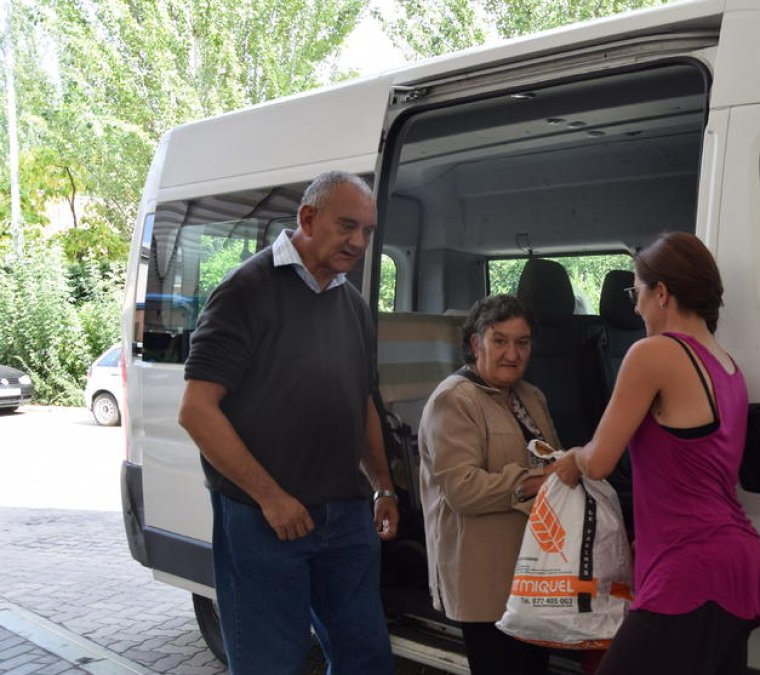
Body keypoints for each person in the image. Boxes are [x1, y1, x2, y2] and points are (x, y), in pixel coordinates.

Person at [178, 171, 397, 674]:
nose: (359, 242)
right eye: (348, 226)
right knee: (269, 664)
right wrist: (272, 499)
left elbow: (361, 399)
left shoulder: (354, 306)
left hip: (344, 514)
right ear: (307, 218)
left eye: (367, 230)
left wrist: (383, 485)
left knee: (367, 659)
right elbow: (196, 411)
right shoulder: (245, 290)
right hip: (265, 521)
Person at [553, 232, 760, 675]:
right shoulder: (727, 365)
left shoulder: (652, 354)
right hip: (739, 564)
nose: (635, 307)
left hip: (690, 569)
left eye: (637, 292)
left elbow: (598, 461)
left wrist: (570, 458)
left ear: (663, 293)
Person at [418, 294, 560, 675]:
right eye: (500, 340)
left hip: (532, 571)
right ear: (474, 343)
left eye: (522, 342)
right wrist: (536, 481)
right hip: (486, 578)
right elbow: (463, 489)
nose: (512, 353)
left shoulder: (531, 395)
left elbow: (550, 460)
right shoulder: (454, 399)